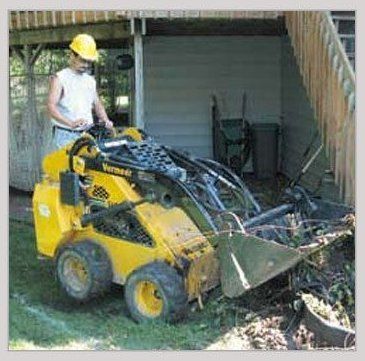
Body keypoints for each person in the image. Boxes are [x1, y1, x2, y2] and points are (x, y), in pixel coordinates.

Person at [47, 33, 113, 149]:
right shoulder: (60, 78)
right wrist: (70, 123)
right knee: (67, 167)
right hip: (66, 135)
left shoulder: (90, 80)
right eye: (83, 60)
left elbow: (97, 104)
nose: (86, 65)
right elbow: (51, 106)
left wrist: (106, 120)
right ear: (72, 55)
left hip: (87, 135)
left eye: (88, 62)